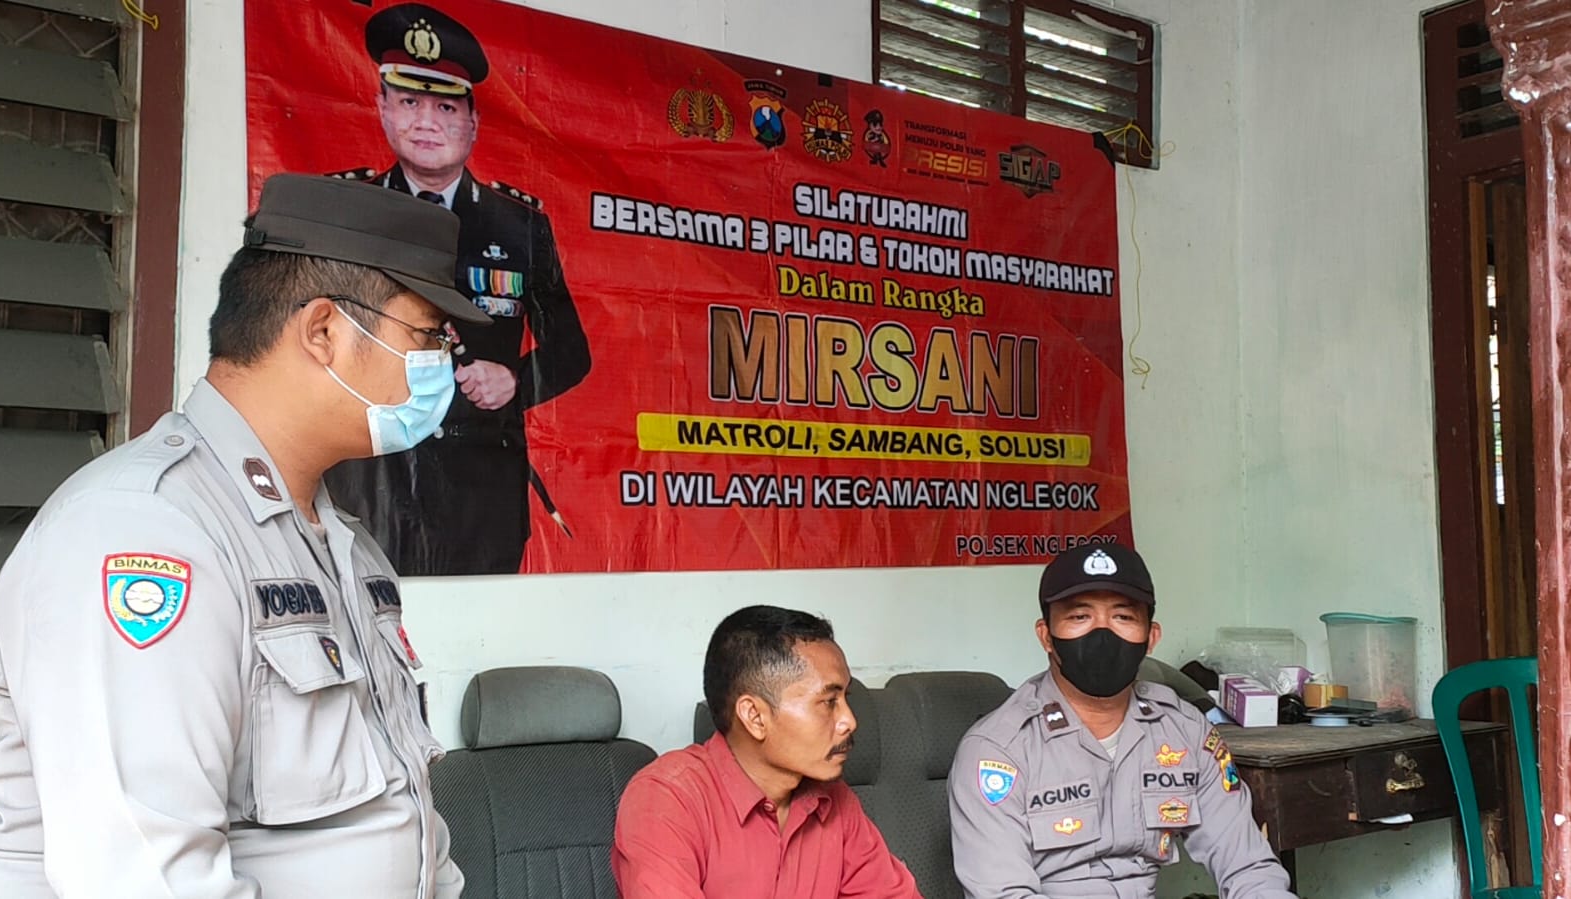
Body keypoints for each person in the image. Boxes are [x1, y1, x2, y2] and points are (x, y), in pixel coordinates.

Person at [0, 173, 488, 898]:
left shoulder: (342, 543)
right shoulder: (147, 531)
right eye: (426, 334)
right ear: (323, 331)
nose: (443, 361)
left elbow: (406, 816)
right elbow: (148, 878)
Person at [324, 2, 591, 576]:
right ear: (382, 107)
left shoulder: (519, 226)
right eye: (409, 102)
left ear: (473, 121)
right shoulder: (346, 213)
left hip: (480, 494)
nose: (426, 122)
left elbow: (572, 351)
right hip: (370, 484)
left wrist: (514, 381)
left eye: (445, 106)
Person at [948, 544, 1298, 899]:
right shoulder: (999, 749)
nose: (1102, 633)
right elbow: (1003, 895)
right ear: (1046, 636)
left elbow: (1248, 866)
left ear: (1151, 637)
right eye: (1079, 617)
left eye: (1123, 617)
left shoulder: (1185, 730)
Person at [613, 605, 921, 899]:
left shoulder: (835, 800)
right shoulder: (667, 798)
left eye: (845, 699)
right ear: (755, 717)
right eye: (829, 702)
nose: (849, 721)